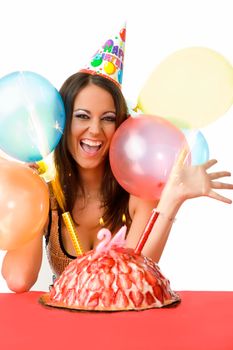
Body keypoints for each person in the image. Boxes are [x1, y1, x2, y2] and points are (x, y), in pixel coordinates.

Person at [2, 27, 233, 292]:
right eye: (82, 116)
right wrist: (31, 195)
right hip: (62, 328)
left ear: (122, 125)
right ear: (62, 122)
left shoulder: (138, 193)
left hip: (123, 327)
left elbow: (135, 280)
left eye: (108, 119)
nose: (95, 130)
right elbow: (18, 280)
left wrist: (172, 199)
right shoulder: (49, 194)